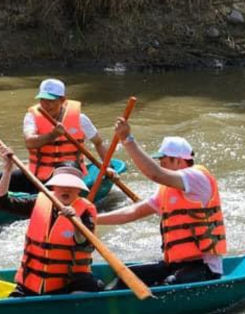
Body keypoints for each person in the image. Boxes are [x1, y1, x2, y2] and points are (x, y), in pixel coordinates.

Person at [97, 121, 226, 287]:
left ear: (179, 161)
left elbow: (155, 174)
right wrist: (93, 218)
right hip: (174, 264)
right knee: (127, 277)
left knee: (170, 284)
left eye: (163, 160)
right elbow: (133, 212)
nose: (160, 164)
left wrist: (127, 139)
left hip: (204, 267)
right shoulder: (166, 189)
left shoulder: (197, 178)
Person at [0, 145, 101, 296]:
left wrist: (75, 221)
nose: (66, 189)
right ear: (54, 186)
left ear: (79, 189)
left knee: (82, 293)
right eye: (62, 184)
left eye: (71, 185)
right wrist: (8, 170)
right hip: (33, 282)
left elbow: (84, 243)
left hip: (71, 282)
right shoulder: (41, 200)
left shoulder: (86, 210)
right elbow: (0, 202)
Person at [0, 78, 106, 201]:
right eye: (42, 100)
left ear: (62, 99)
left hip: (66, 176)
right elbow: (30, 143)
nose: (46, 105)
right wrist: (52, 135)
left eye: (50, 101)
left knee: (46, 195)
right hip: (37, 173)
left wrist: (108, 166)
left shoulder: (80, 119)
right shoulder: (32, 117)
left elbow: (98, 142)